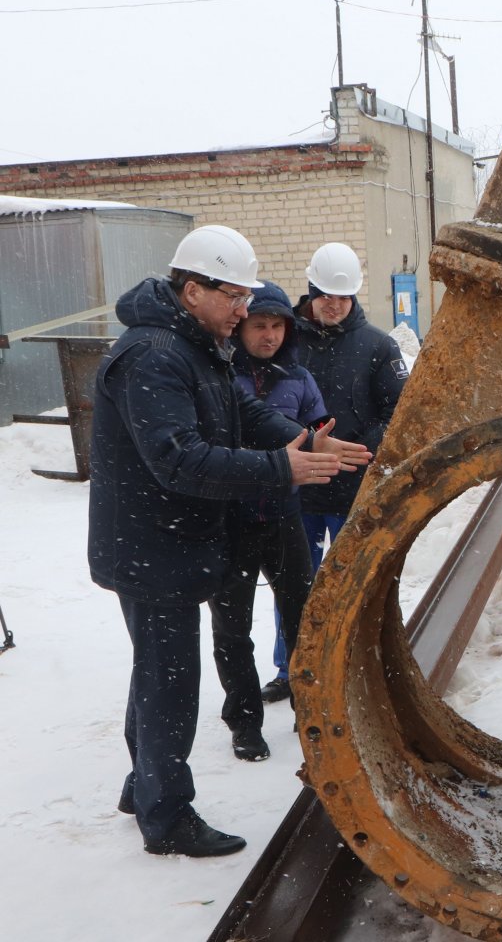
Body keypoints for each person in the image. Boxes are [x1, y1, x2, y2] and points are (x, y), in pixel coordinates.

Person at [89, 225, 372, 858]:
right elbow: (178, 460)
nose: (247, 310)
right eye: (235, 296)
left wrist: (302, 440)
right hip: (150, 546)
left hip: (167, 541)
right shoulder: (154, 356)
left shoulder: (193, 344)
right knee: (170, 680)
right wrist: (283, 468)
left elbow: (239, 415)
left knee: (155, 673)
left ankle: (145, 784)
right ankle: (166, 818)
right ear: (192, 290)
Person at [260, 243, 408, 702]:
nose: (333, 304)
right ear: (311, 289)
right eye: (326, 294)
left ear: (354, 296)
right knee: (293, 581)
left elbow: (399, 409)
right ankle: (292, 667)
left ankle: (351, 662)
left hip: (352, 488)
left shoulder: (378, 347)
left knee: (353, 582)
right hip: (298, 486)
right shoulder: (286, 342)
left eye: (342, 297)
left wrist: (362, 447)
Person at [210, 281, 329, 755]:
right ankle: (244, 722)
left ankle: (311, 710)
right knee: (231, 629)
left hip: (285, 516)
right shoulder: (221, 378)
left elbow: (320, 429)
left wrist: (320, 441)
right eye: (259, 324)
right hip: (232, 521)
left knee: (304, 618)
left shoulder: (298, 377)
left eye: (278, 326)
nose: (269, 335)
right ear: (240, 327)